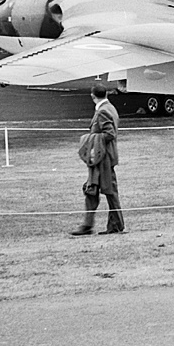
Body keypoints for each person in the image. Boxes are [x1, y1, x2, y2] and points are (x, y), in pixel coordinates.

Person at [72, 85, 125, 236]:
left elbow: (109, 134)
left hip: (103, 158)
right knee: (92, 189)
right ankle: (90, 225)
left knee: (108, 191)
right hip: (104, 157)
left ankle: (114, 225)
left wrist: (90, 139)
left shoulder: (102, 111)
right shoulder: (110, 108)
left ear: (92, 96)